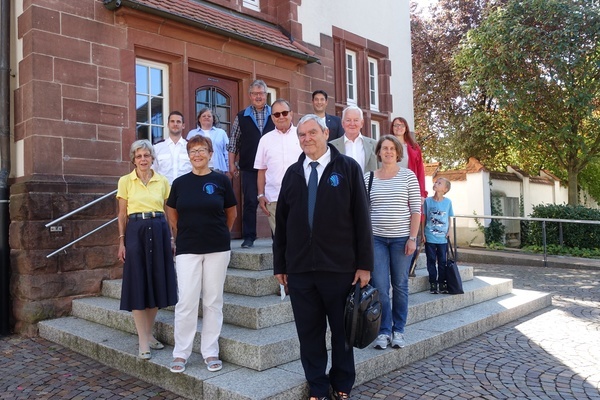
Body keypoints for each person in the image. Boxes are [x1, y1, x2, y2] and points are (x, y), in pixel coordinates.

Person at [273, 114, 373, 400]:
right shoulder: (292, 174)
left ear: (326, 133)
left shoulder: (348, 168)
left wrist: (365, 265)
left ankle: (342, 384)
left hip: (340, 268)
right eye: (302, 135)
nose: (307, 139)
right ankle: (317, 386)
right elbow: (282, 223)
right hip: (301, 270)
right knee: (309, 334)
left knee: (342, 333)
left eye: (312, 132)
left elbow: (362, 219)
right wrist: (280, 264)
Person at [165, 135, 237, 374]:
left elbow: (231, 213)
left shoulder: (221, 181)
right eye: (193, 150)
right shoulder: (180, 183)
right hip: (187, 248)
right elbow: (172, 212)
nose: (197, 154)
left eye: (202, 150)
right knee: (186, 301)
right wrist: (183, 233)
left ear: (210, 153)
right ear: (189, 155)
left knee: (213, 301)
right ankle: (181, 352)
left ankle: (210, 351)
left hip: (217, 248)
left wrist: (219, 234)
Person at [116, 139, 178, 360]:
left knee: (157, 281)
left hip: (159, 229)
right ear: (133, 159)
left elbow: (169, 212)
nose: (143, 159)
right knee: (138, 282)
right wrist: (122, 241)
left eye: (146, 155)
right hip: (136, 231)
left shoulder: (162, 181)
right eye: (139, 156)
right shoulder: (125, 181)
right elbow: (122, 214)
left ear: (152, 158)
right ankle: (143, 340)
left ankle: (149, 334)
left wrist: (172, 239)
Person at [366, 135, 421, 350]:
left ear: (398, 153)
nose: (388, 152)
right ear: (378, 152)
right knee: (379, 286)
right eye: (384, 148)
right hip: (376, 239)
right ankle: (384, 330)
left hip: (401, 240)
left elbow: (416, 209)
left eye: (392, 148)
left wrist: (413, 238)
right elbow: (362, 210)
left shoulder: (408, 176)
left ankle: (399, 330)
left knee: (400, 285)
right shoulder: (368, 178)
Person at [227, 80, 275, 248]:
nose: (258, 97)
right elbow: (233, 141)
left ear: (266, 95)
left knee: (274, 201)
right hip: (249, 167)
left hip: (272, 167)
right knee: (249, 202)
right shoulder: (242, 116)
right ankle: (249, 237)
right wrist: (231, 164)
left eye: (261, 93)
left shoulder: (275, 114)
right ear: (250, 96)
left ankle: (277, 236)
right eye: (255, 94)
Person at [254, 99, 302, 234]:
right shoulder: (265, 140)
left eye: (284, 113)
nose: (281, 117)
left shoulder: (302, 135)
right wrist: (260, 195)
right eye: (276, 114)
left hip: (300, 196)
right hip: (274, 199)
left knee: (299, 238)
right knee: (280, 241)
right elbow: (261, 170)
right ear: (272, 118)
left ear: (291, 114)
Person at [422, 177, 454, 294]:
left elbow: (449, 218)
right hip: (429, 236)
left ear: (445, 189)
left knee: (442, 261)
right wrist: (423, 233)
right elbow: (424, 218)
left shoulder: (448, 202)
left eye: (439, 183)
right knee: (431, 260)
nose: (436, 183)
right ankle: (433, 283)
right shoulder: (427, 201)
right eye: (436, 182)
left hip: (443, 238)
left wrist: (449, 231)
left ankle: (442, 283)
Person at [330, 105, 378, 173]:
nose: (352, 124)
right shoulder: (332, 146)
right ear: (343, 123)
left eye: (356, 120)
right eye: (348, 120)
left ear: (362, 123)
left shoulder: (375, 145)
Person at [390, 117, 427, 198]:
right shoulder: (386, 146)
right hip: (390, 187)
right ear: (392, 128)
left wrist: (422, 193)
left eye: (402, 125)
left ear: (406, 128)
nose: (399, 127)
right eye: (396, 125)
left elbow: (420, 171)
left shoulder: (414, 148)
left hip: (409, 188)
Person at [152, 111, 192, 185]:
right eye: (172, 121)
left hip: (185, 189)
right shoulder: (157, 148)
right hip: (163, 191)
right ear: (168, 125)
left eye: (178, 122)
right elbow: (153, 171)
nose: (175, 124)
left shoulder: (191, 147)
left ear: (183, 125)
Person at [186, 108, 230, 176]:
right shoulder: (192, 134)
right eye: (203, 116)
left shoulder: (221, 133)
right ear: (199, 119)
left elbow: (227, 152)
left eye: (209, 116)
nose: (206, 117)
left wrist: (228, 169)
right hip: (197, 169)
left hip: (218, 169)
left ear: (213, 119)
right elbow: (187, 153)